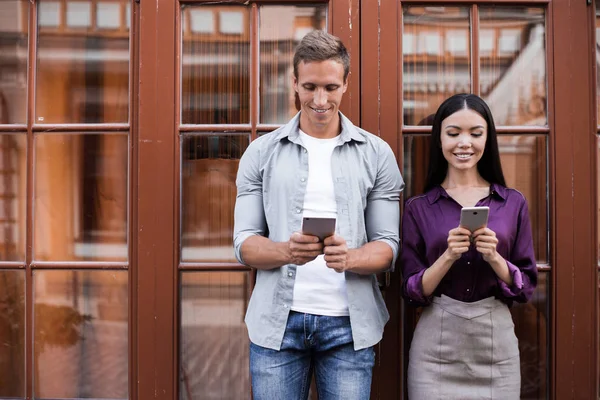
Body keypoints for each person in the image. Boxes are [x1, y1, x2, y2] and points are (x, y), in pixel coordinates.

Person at [233, 30, 404, 399]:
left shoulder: (376, 154)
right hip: (277, 326)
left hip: (349, 328)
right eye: (309, 87)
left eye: (330, 87)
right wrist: (287, 252)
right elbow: (243, 244)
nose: (320, 99)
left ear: (345, 83)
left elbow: (388, 245)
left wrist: (352, 257)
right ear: (294, 83)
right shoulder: (261, 154)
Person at [400, 93, 538, 399]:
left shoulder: (512, 203)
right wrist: (448, 256)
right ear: (439, 139)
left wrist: (495, 258)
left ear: (487, 139)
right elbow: (410, 290)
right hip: (435, 350)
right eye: (453, 133)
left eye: (476, 134)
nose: (465, 143)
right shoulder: (418, 208)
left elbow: (526, 285)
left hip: (496, 348)